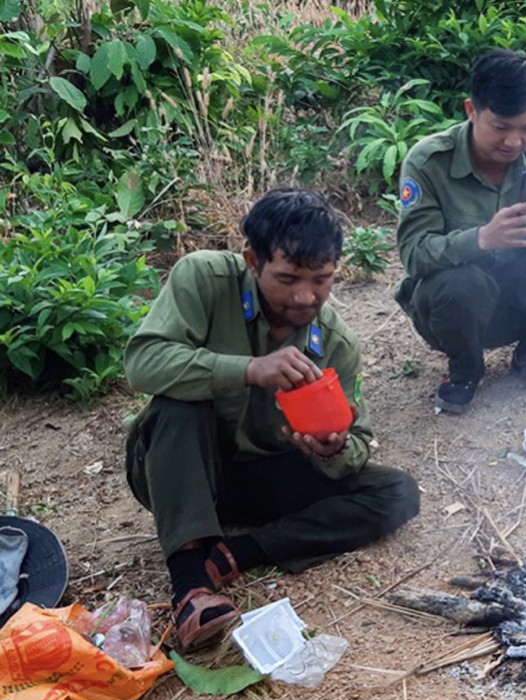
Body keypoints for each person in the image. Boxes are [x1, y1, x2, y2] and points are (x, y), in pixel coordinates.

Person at [124, 189, 420, 650]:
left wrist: (334, 449)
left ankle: (236, 554)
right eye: (287, 278)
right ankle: (189, 588)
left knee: (396, 491)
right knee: (179, 404)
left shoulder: (335, 344)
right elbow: (144, 363)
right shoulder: (203, 278)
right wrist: (246, 370)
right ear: (252, 261)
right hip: (183, 472)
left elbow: (358, 438)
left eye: (322, 279)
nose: (305, 297)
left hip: (265, 482)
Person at [395, 49, 526, 414]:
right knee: (459, 283)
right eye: (500, 127)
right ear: (471, 110)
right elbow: (414, 253)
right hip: (456, 312)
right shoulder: (428, 161)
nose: (514, 141)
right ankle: (464, 372)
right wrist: (481, 239)